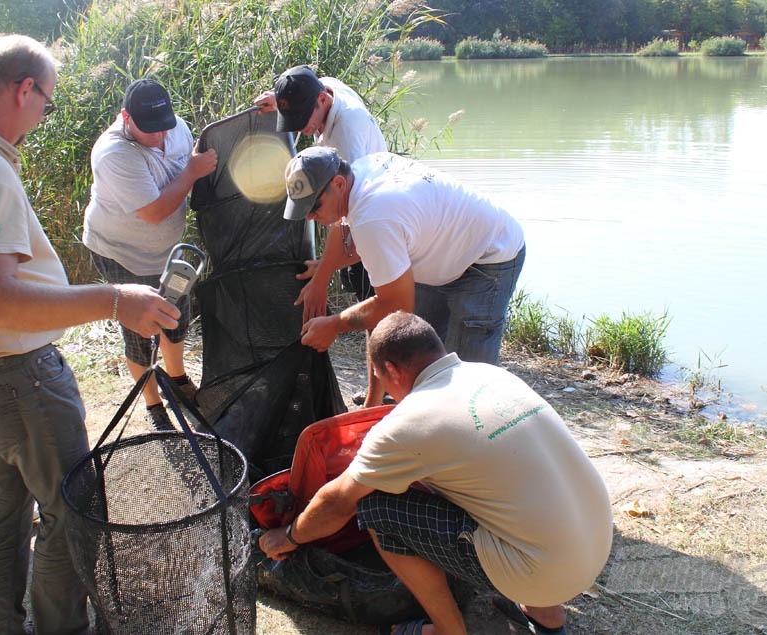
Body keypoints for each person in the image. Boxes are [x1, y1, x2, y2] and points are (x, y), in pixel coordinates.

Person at [0, 34, 180, 634]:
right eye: (48, 103)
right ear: (24, 88)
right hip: (13, 375)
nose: (44, 115)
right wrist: (114, 299)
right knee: (71, 512)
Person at [259, 311, 613, 635]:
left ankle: (448, 630)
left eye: (380, 377)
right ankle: (548, 616)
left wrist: (288, 537)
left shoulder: (410, 421)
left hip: (541, 570)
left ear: (393, 370)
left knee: (377, 508)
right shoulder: (491, 375)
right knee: (502, 488)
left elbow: (337, 502)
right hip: (595, 545)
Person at [283, 147, 526, 368]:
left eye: (314, 206)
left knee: (469, 373)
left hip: (488, 256)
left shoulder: (374, 216)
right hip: (444, 251)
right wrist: (324, 273)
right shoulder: (360, 172)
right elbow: (367, 235)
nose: (310, 217)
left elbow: (395, 305)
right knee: (420, 353)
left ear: (338, 184)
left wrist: (335, 325)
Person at [82, 78, 217, 430]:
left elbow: (189, 172)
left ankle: (179, 379)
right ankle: (154, 404)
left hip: (166, 250)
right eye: (149, 130)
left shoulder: (176, 129)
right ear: (126, 117)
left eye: (164, 128)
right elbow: (155, 212)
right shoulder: (113, 154)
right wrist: (191, 171)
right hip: (122, 253)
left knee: (175, 317)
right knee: (141, 329)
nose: (159, 137)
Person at [255, 64, 390, 407]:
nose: (302, 127)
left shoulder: (349, 130)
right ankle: (381, 389)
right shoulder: (323, 89)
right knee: (374, 308)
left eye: (305, 117)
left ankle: (378, 396)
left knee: (381, 313)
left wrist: (326, 272)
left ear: (321, 99)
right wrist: (282, 101)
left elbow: (351, 212)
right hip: (354, 209)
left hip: (376, 216)